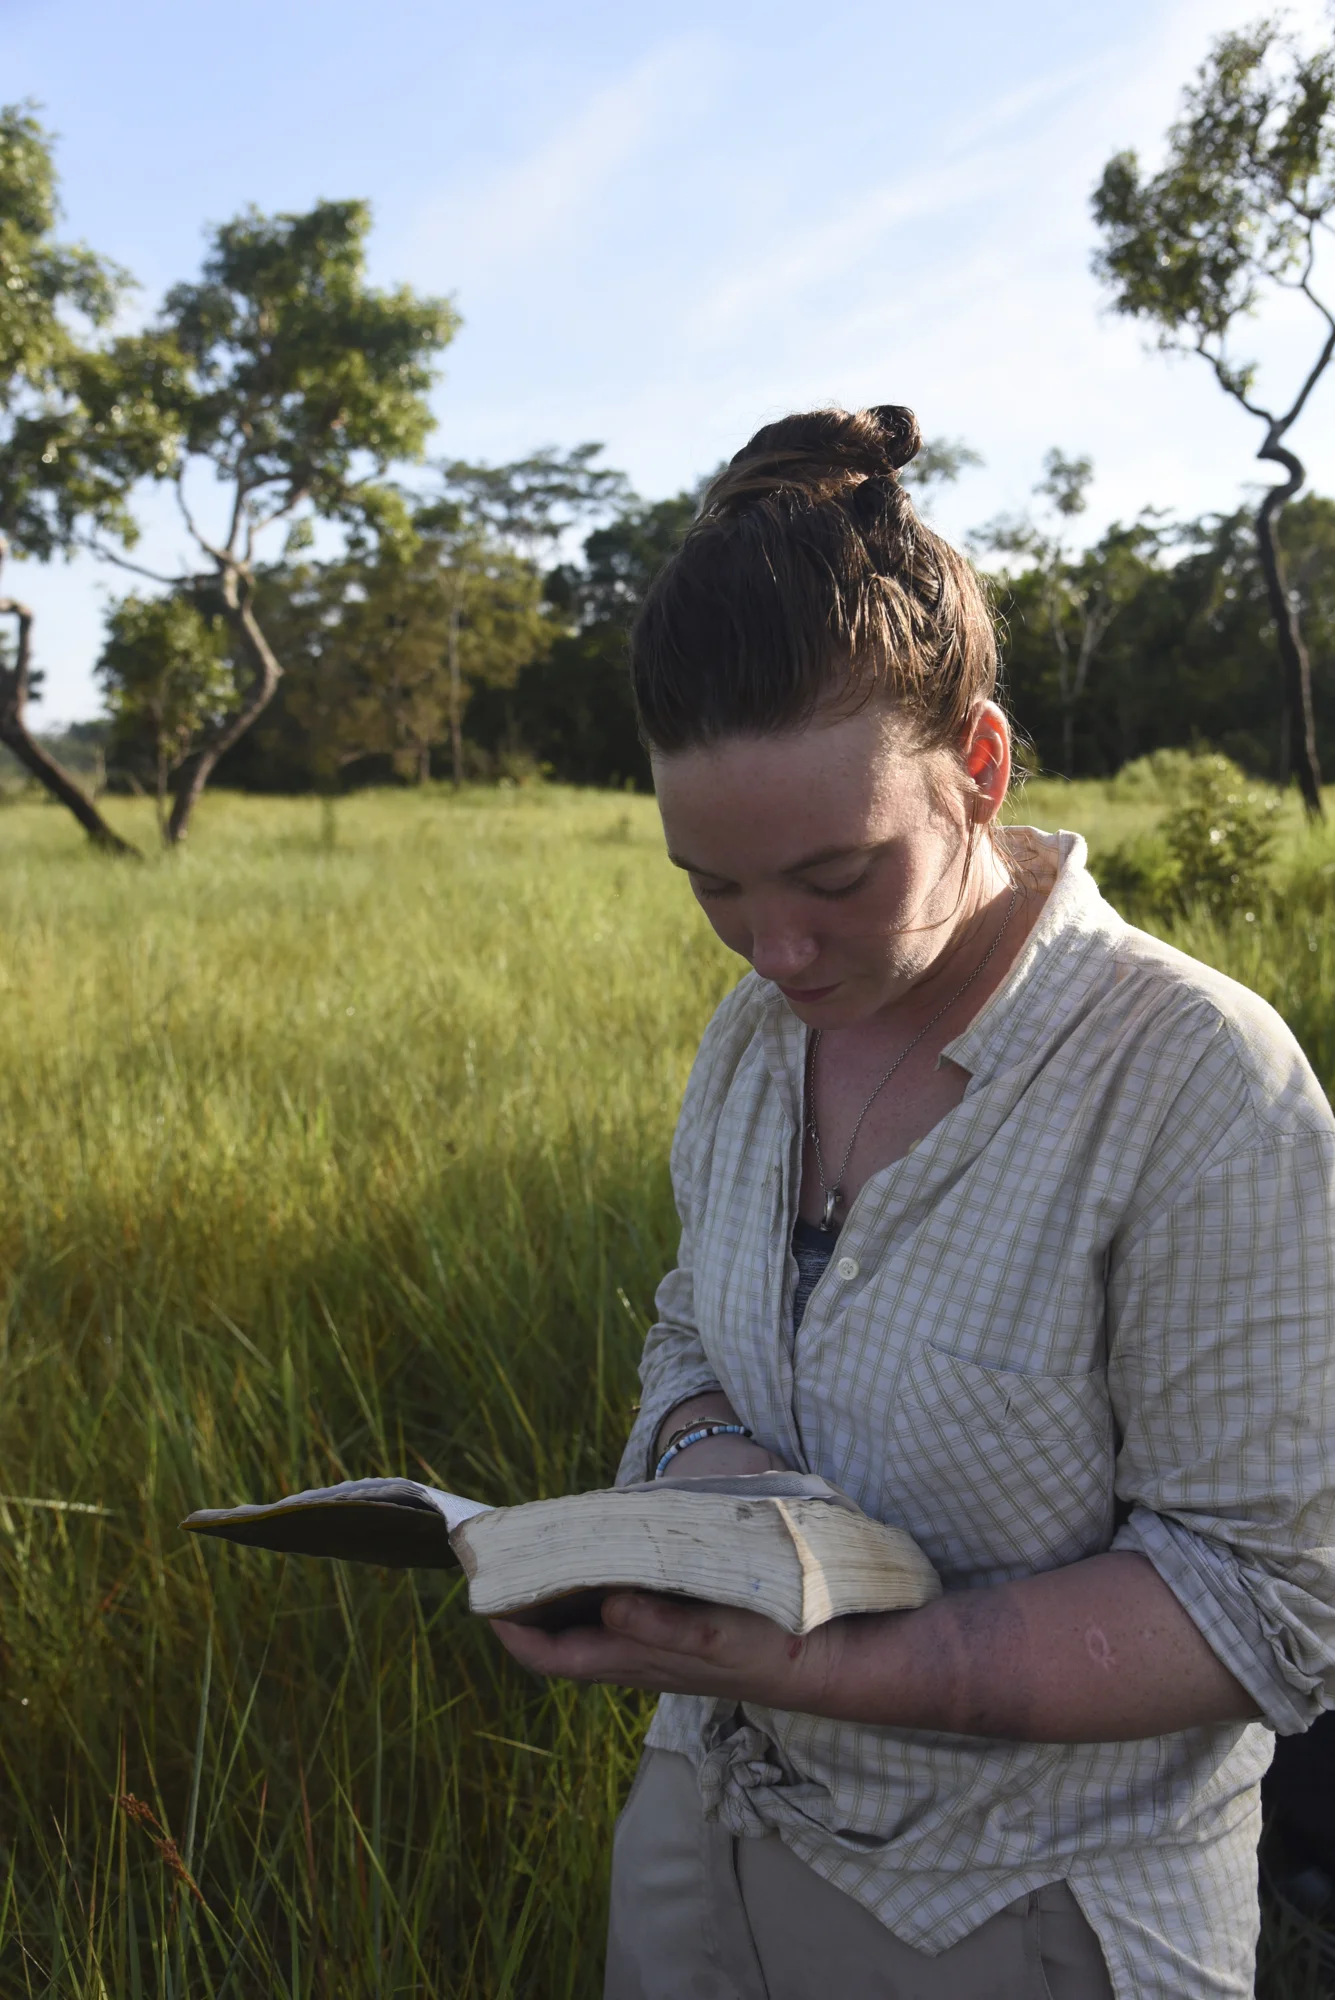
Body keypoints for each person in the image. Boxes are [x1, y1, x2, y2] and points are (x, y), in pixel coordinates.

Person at [491, 405, 1335, 1999]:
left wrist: (847, 1660)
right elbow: (689, 1326)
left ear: (980, 770)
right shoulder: (753, 1041)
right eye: (712, 889)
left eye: (833, 879)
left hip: (1023, 1908)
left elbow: (1261, 1604)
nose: (774, 952)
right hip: (706, 1817)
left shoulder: (1195, 1084)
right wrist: (704, 1466)